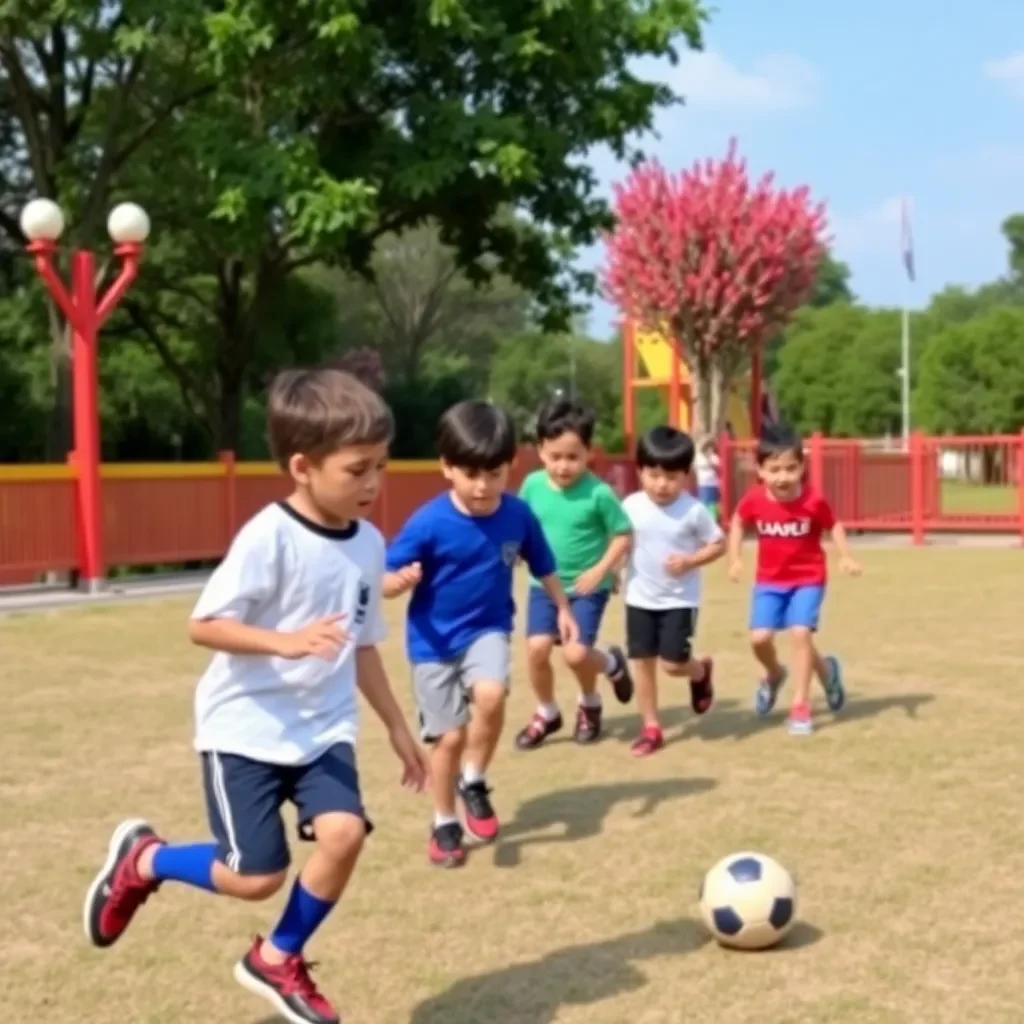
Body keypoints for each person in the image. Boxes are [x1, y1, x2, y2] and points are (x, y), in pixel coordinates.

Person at [82, 368, 429, 1024]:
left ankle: (277, 957)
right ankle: (145, 859)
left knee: (345, 833)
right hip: (245, 729)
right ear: (302, 466)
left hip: (323, 728)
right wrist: (284, 642)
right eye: (358, 470)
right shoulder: (269, 536)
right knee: (255, 877)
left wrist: (396, 728)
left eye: (381, 467)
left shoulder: (369, 544)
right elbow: (202, 625)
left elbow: (360, 645)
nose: (375, 485)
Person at [383, 400, 579, 869]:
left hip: (488, 629)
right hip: (431, 644)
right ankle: (444, 820)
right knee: (447, 739)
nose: (483, 486)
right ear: (446, 467)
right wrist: (398, 583)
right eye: (471, 474)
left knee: (491, 696)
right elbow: (385, 578)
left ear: (511, 464)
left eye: (494, 473)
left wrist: (564, 608)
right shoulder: (429, 522)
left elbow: (544, 564)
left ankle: (473, 778)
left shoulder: (517, 515)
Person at [514, 397, 634, 750]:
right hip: (544, 585)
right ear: (540, 450)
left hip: (587, 586)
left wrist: (602, 570)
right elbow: (523, 525)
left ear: (588, 453)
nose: (563, 466)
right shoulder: (532, 486)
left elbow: (623, 535)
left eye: (573, 457)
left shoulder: (599, 492)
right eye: (555, 457)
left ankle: (594, 696)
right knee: (536, 649)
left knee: (576, 655)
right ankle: (547, 713)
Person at [727, 422, 862, 735]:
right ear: (760, 471)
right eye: (774, 469)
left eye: (791, 468)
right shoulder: (754, 500)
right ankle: (782, 674)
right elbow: (737, 523)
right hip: (769, 582)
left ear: (802, 467)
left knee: (800, 633)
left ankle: (800, 705)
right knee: (759, 639)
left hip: (808, 579)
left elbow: (835, 525)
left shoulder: (813, 501)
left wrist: (845, 555)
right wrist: (734, 559)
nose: (783, 477)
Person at [622, 426, 726, 756]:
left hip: (679, 599)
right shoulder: (631, 506)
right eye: (653, 475)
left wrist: (690, 560)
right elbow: (620, 544)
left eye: (671, 477)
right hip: (638, 597)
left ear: (686, 476)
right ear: (640, 471)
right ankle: (651, 727)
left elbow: (718, 544)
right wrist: (610, 573)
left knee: (672, 663)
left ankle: (700, 671)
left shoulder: (693, 510)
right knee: (642, 663)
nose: (661, 484)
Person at [694, 435, 721, 521]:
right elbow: (698, 465)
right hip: (703, 484)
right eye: (708, 447)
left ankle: (712, 520)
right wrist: (709, 463)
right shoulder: (699, 457)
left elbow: (718, 465)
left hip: (713, 483)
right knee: (704, 502)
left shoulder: (714, 457)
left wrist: (710, 461)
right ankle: (703, 520)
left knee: (712, 503)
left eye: (711, 447)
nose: (710, 449)